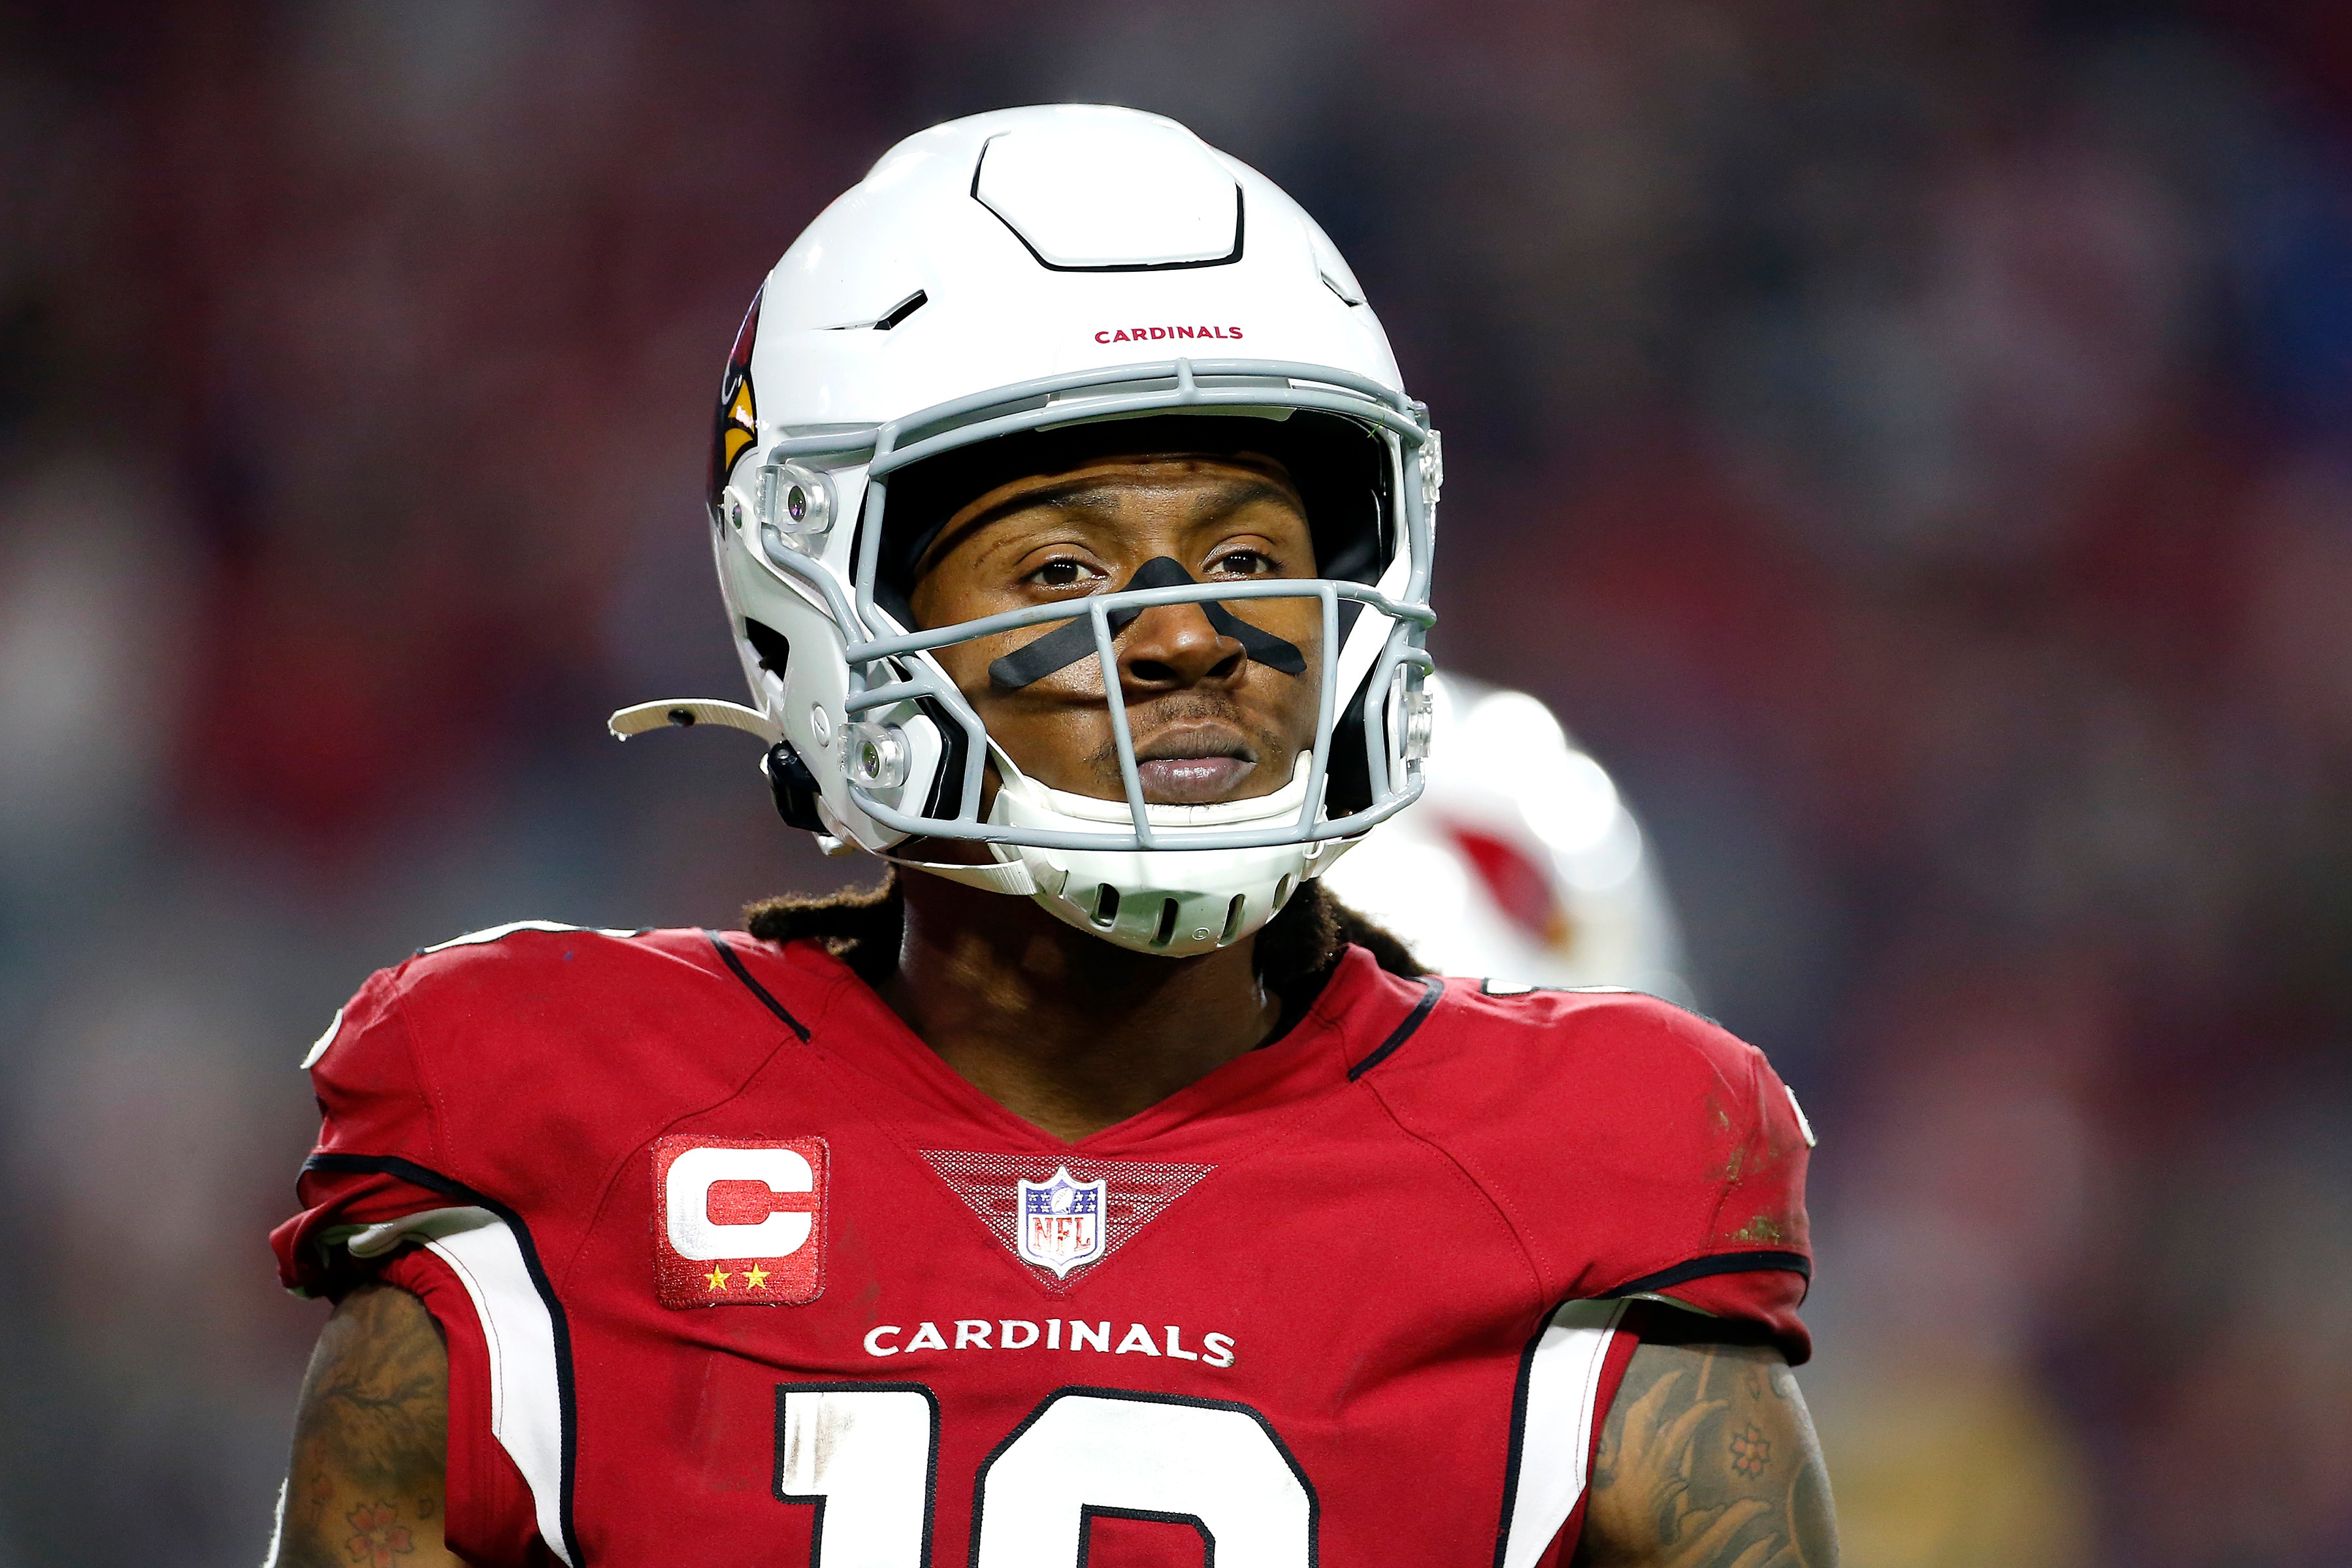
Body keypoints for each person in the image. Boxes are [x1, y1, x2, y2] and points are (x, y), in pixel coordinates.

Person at [267, 105, 1835, 1568]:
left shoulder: (1588, 1172)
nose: (1187, 639)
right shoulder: (562, 1137)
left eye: (1246, 551)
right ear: (830, 605)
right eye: (1065, 569)